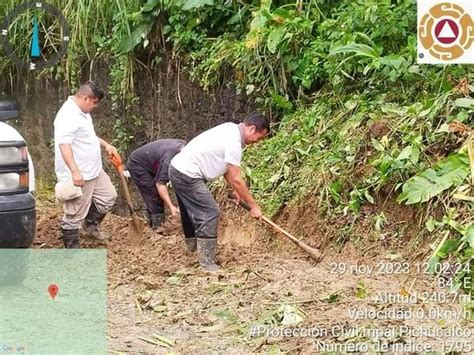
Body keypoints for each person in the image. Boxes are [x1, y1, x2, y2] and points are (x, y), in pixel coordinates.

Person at [169, 112, 270, 272]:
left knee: (190, 210)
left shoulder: (229, 129)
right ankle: (206, 262)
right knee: (210, 212)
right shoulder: (234, 142)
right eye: (260, 137)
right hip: (187, 174)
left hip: (178, 168)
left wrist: (235, 190)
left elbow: (227, 171)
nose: (258, 142)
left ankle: (192, 247)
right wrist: (253, 206)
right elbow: (236, 177)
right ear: (252, 129)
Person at [54, 81, 118, 248]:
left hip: (94, 170)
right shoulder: (67, 115)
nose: (95, 107)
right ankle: (72, 251)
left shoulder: (83, 113)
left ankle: (90, 228)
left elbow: (88, 137)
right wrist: (75, 171)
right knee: (74, 214)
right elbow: (64, 145)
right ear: (85, 98)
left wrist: (106, 145)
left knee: (108, 197)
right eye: (94, 102)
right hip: (80, 174)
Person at [127, 139, 186, 228]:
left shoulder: (186, 148)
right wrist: (171, 207)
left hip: (152, 161)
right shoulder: (169, 158)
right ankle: (157, 228)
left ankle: (153, 221)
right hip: (137, 164)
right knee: (153, 195)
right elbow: (160, 184)